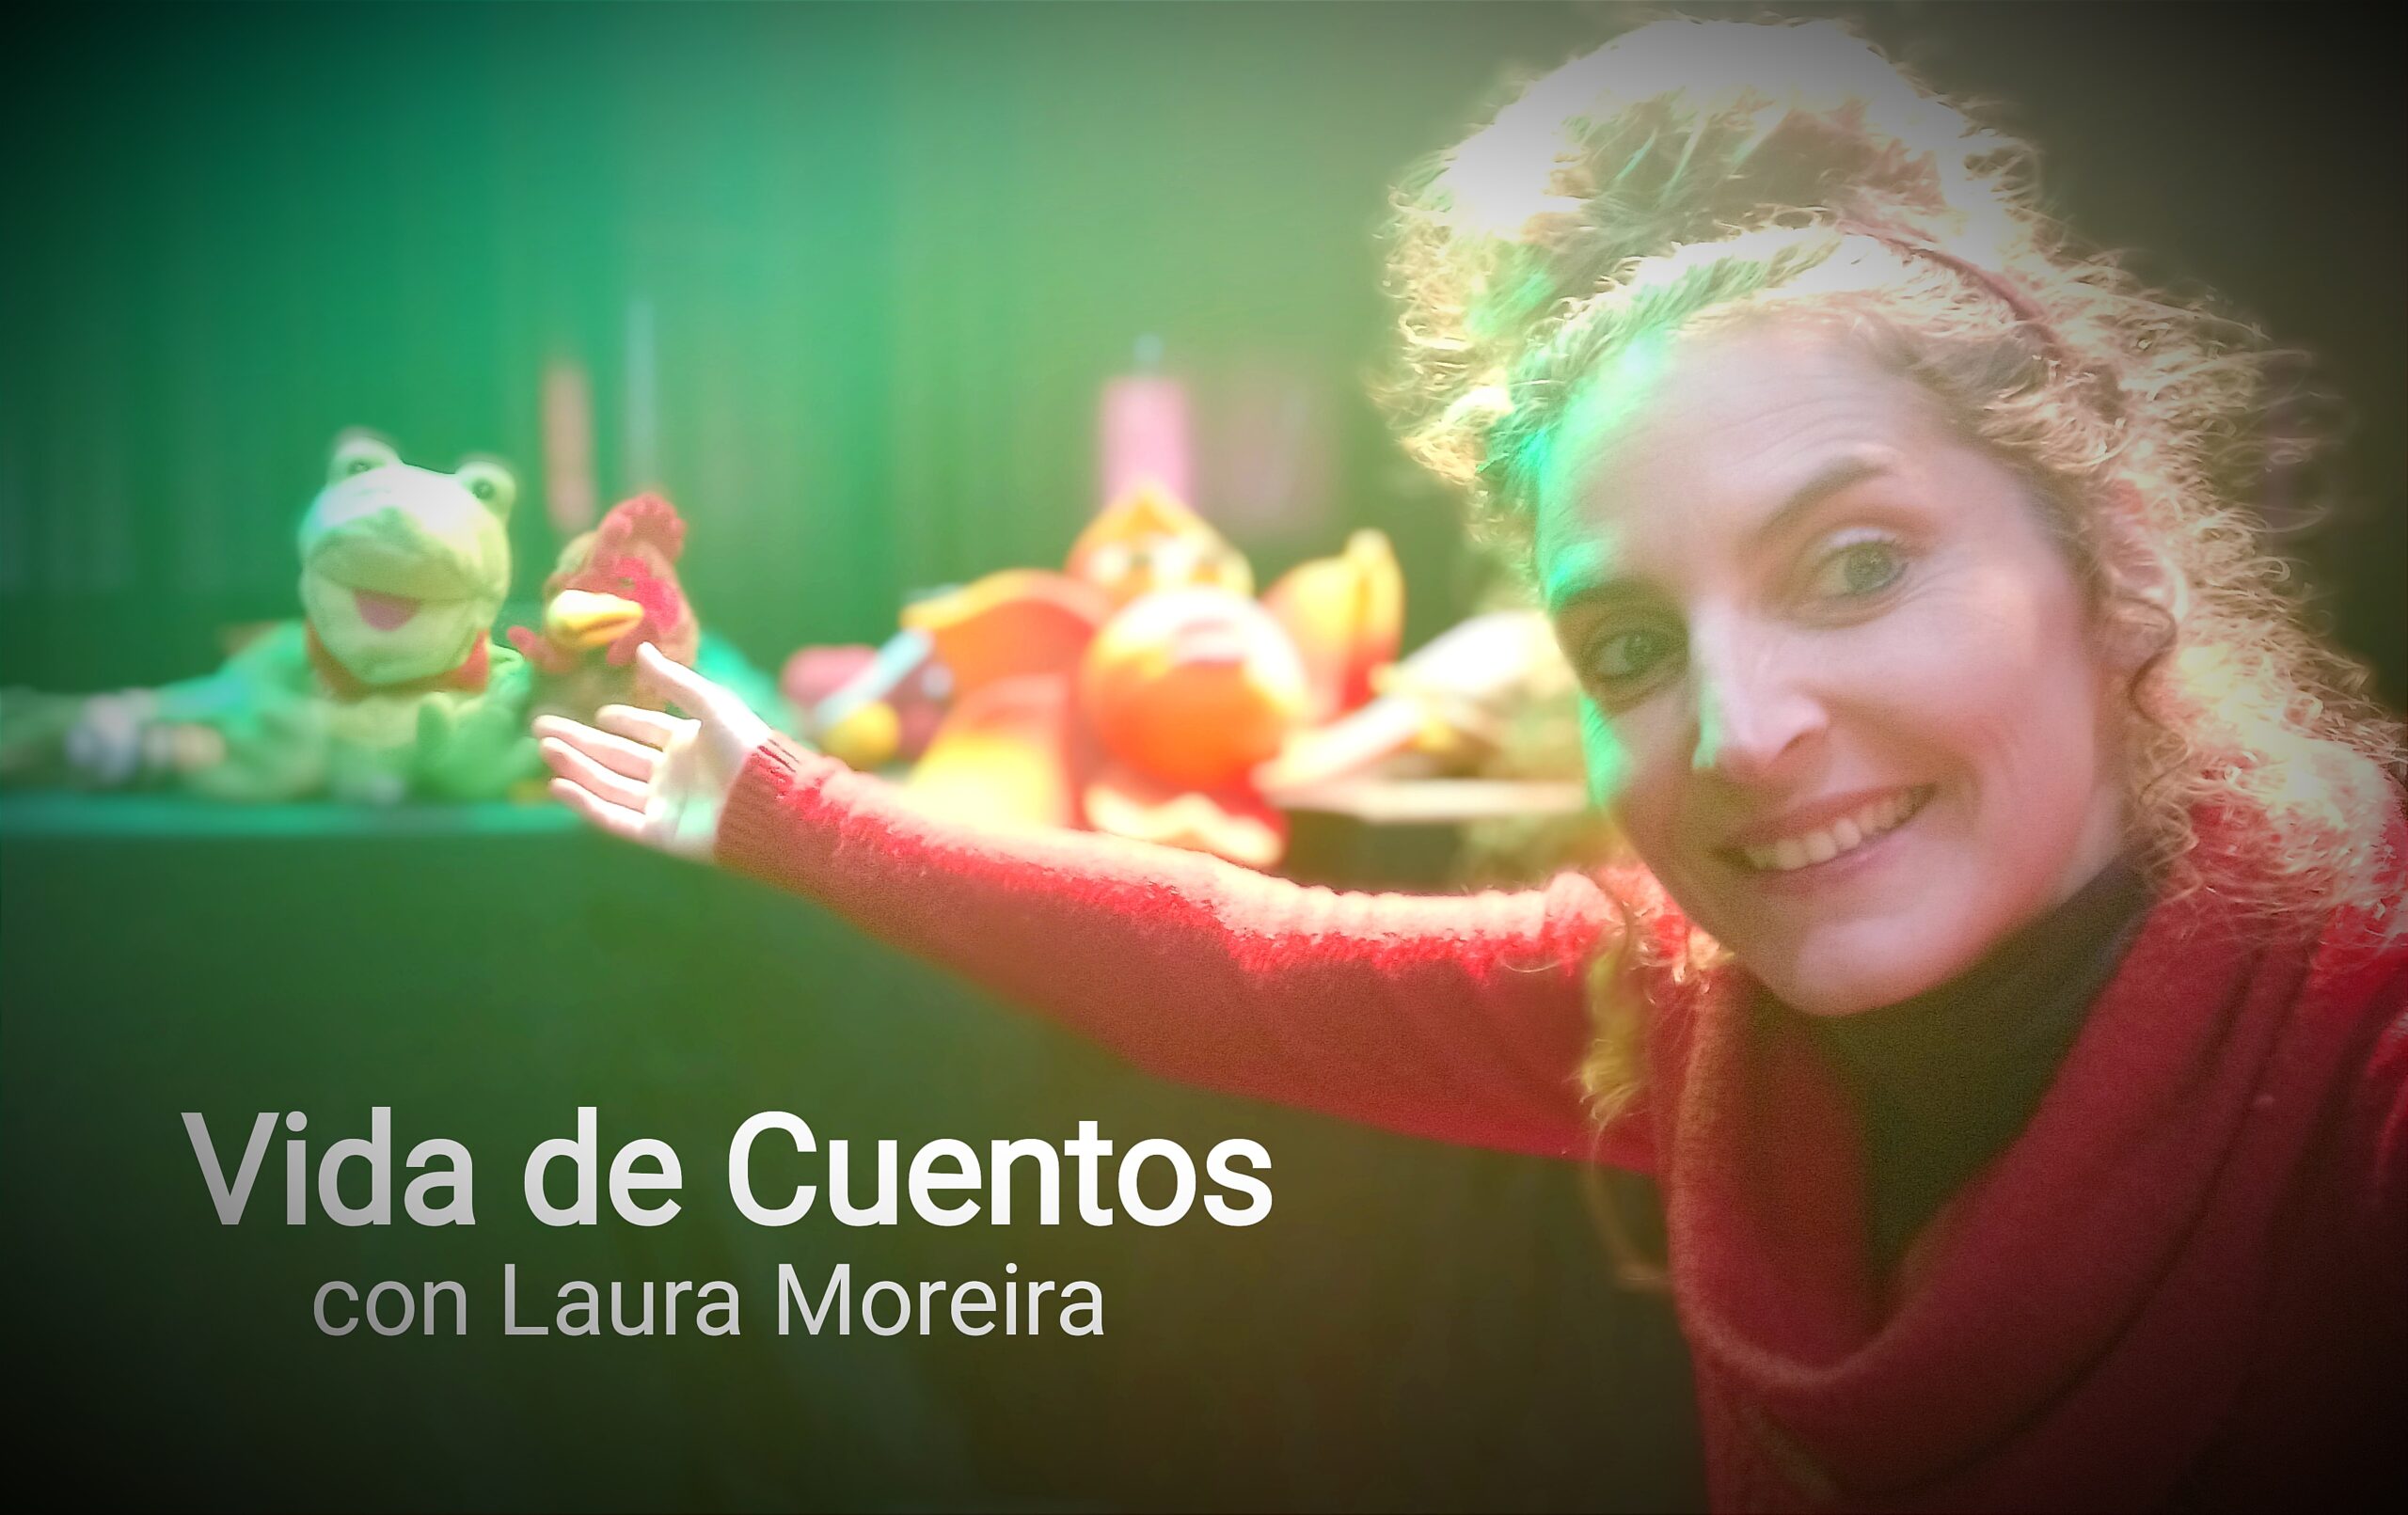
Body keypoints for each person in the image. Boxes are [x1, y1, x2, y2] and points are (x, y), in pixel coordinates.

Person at [536, 16, 2405, 1510]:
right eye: (1630, 647)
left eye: (1853, 565)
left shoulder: (2359, 1049)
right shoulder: (1690, 1005)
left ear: (2119, 562)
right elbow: (1240, 966)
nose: (1742, 729)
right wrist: (769, 797)